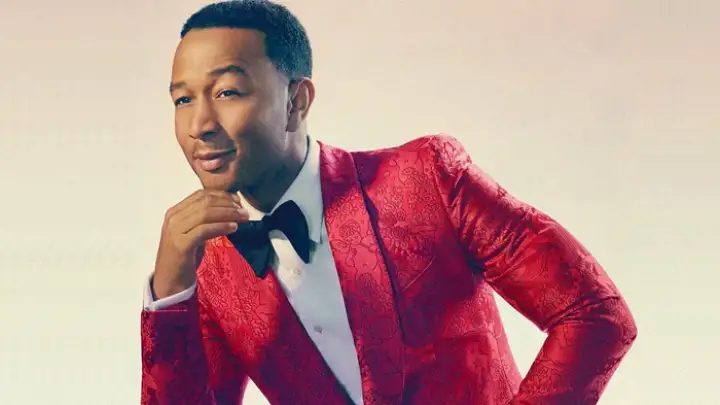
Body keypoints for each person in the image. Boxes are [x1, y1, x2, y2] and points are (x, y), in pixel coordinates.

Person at [140, 1, 638, 404]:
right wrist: (169, 291)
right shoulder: (208, 268)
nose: (199, 125)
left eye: (227, 91)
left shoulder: (425, 178)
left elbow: (594, 313)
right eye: (182, 99)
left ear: (297, 102)